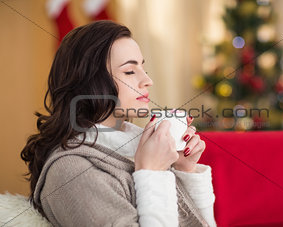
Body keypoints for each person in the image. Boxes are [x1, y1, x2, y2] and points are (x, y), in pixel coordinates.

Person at [20, 20, 216, 227]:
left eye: (143, 67)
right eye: (129, 71)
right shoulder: (70, 171)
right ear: (89, 82)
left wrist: (185, 170)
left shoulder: (134, 150)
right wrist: (151, 172)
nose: (147, 80)